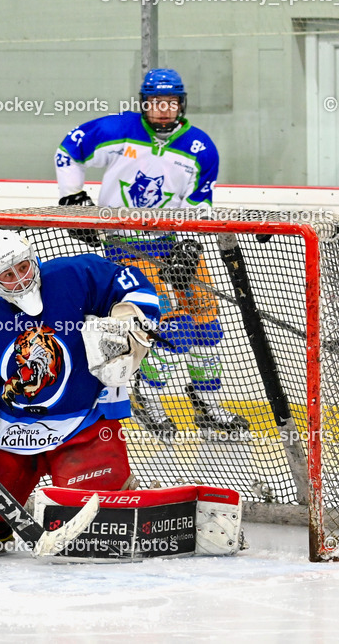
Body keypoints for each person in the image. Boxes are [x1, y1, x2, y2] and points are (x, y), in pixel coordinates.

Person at [0, 230, 160, 550]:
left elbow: (135, 284)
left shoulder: (77, 276)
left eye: (23, 267)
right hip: (11, 432)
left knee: (98, 525)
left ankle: (116, 494)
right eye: (7, 275)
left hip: (83, 423)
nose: (20, 279)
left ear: (33, 259)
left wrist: (132, 316)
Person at [54, 67, 248, 436]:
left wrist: (190, 245)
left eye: (170, 102)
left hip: (172, 243)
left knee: (206, 319)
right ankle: (148, 397)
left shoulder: (200, 148)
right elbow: (68, 151)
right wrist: (72, 199)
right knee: (170, 325)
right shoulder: (118, 130)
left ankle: (207, 403)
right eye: (155, 101)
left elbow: (199, 203)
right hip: (126, 247)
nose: (162, 109)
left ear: (181, 104)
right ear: (144, 103)